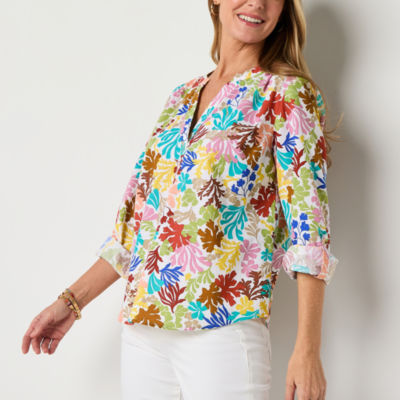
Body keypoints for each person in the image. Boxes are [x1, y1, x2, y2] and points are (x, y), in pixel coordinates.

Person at [21, 1, 342, 399]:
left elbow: (309, 228)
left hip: (223, 331)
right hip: (143, 331)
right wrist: (70, 302)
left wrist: (308, 349)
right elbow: (135, 228)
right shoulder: (181, 97)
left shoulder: (287, 94)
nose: (257, 3)